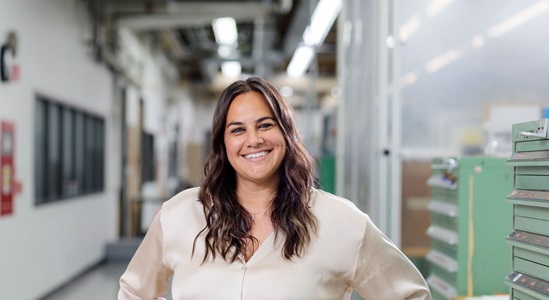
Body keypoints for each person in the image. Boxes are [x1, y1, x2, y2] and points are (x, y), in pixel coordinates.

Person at [118, 77, 431, 300]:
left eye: (265, 125)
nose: (253, 140)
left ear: (287, 133)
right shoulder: (180, 215)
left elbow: (409, 295)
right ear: (222, 144)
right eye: (237, 129)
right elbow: (134, 291)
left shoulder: (341, 222)